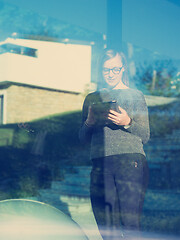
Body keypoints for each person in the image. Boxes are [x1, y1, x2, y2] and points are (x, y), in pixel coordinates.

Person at [79, 49, 150, 239]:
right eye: (106, 70)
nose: (111, 74)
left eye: (115, 69)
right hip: (101, 165)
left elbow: (146, 135)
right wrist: (89, 123)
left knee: (130, 224)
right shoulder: (92, 98)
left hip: (130, 163)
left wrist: (127, 122)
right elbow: (82, 139)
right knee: (106, 226)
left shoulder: (136, 96)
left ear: (123, 69)